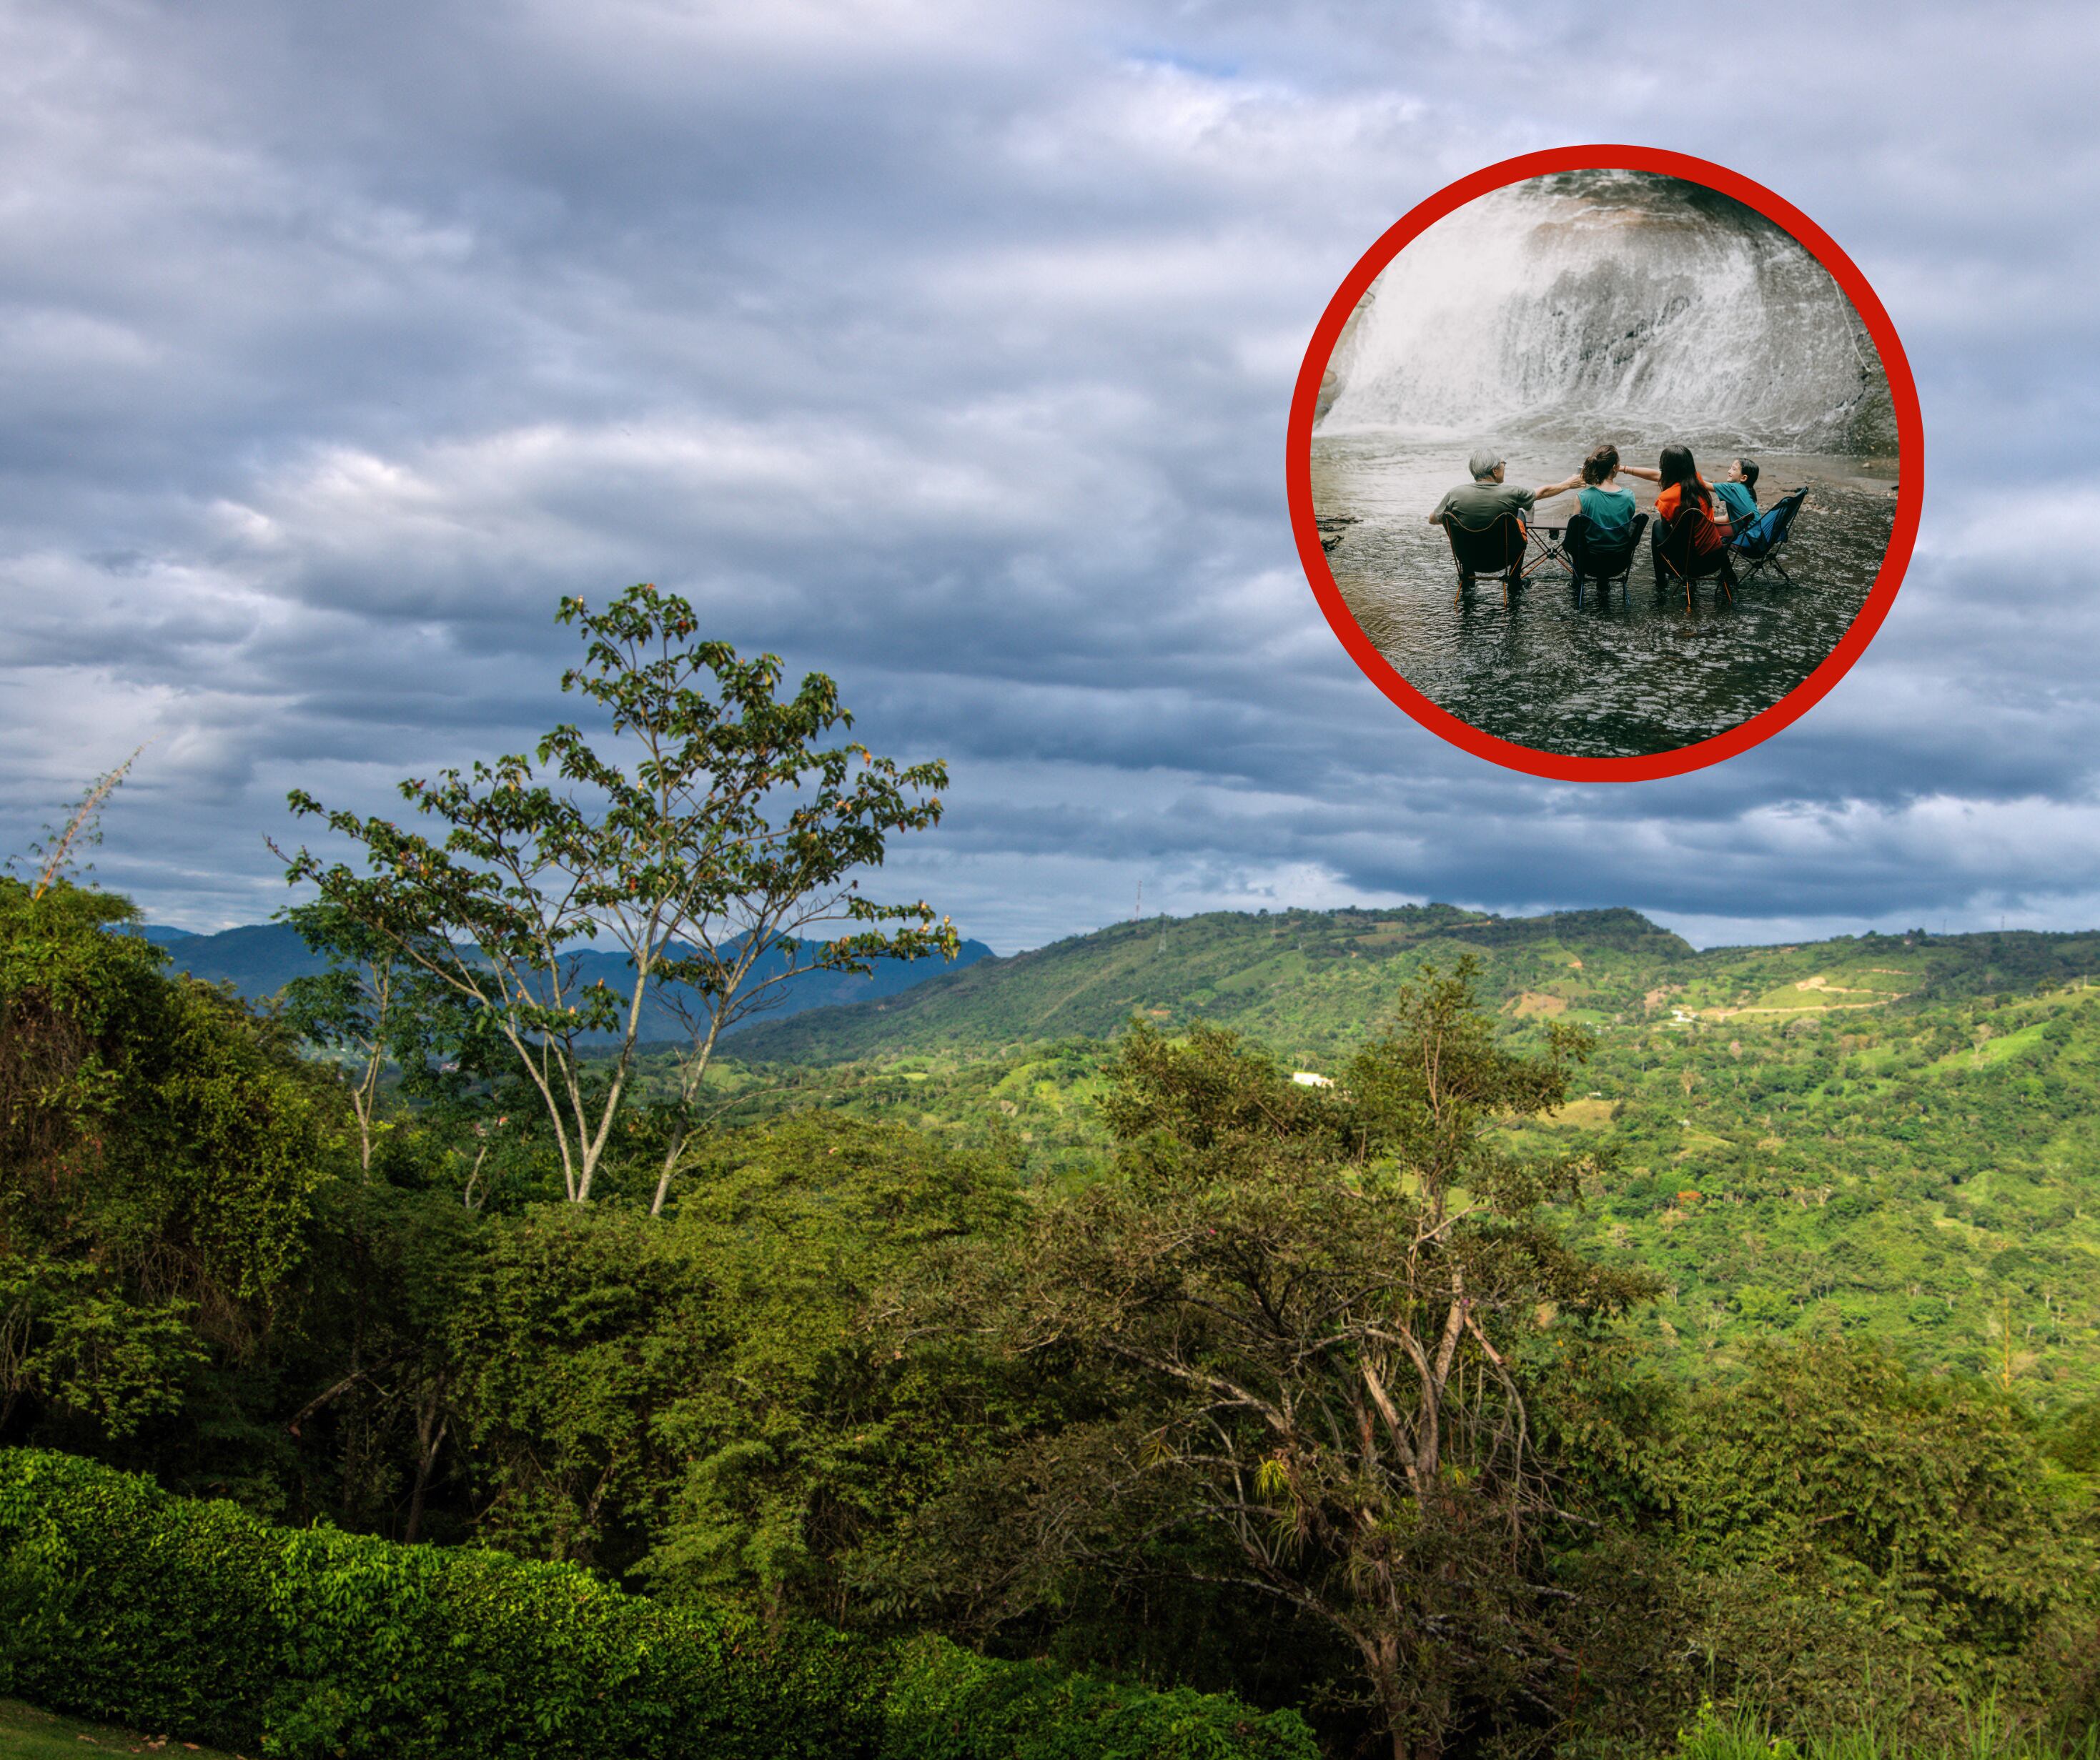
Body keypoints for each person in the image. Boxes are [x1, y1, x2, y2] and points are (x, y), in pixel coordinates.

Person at [1427, 449, 1582, 585]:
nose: (1504, 467)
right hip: (1504, 558)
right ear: (1495, 470)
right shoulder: (1511, 493)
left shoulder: (1455, 493)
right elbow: (1542, 492)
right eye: (1503, 464)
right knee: (1519, 515)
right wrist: (1568, 484)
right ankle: (1514, 580)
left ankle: (1467, 579)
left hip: (1468, 558)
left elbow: (1433, 519)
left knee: (1456, 519)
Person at [1621, 445, 1730, 584]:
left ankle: (1661, 581)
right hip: (1715, 559)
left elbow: (1666, 529)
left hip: (1690, 566)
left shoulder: (1668, 497)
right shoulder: (1698, 481)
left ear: (1666, 468)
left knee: (1657, 526)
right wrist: (1625, 469)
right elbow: (1657, 476)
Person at [1563, 443, 1638, 591]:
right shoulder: (1629, 496)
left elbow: (1574, 534)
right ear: (1615, 467)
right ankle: (1603, 583)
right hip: (1619, 563)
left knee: (1578, 539)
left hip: (1589, 563)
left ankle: (1577, 583)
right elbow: (1627, 528)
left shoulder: (1583, 497)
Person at [1713, 456, 1759, 533]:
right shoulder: (1747, 491)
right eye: (1731, 468)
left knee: (1704, 529)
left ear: (1743, 478)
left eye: (1734, 469)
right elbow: (1726, 519)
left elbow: (1703, 484)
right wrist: (1707, 520)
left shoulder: (1734, 488)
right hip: (1756, 535)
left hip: (1747, 537)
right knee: (1708, 527)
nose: (1729, 471)